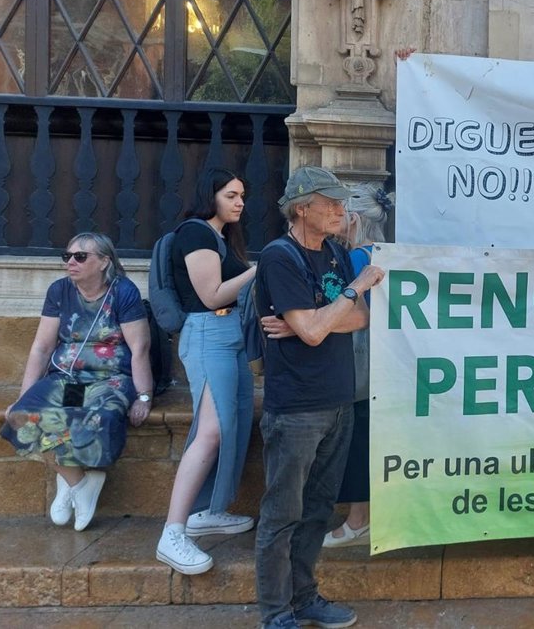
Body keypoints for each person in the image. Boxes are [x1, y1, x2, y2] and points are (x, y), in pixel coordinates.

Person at [253, 166, 385, 629]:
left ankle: (305, 597)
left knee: (317, 511)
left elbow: (360, 319)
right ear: (301, 208)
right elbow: (318, 328)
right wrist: (352, 290)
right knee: (282, 514)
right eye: (329, 203)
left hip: (338, 401)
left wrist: (311, 321)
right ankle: (276, 612)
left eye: (340, 203)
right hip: (296, 409)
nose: (339, 211)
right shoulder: (280, 257)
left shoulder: (334, 252)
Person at [0, 233, 152, 531]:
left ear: (104, 261)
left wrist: (144, 396)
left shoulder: (123, 291)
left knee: (99, 417)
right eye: (67, 256)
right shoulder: (60, 290)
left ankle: (69, 481)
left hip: (110, 380)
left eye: (80, 256)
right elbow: (42, 348)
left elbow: (140, 348)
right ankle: (79, 482)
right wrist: (24, 395)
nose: (71, 262)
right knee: (21, 416)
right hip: (69, 379)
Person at [155, 168, 258, 575]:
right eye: (231, 195)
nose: (240, 203)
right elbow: (212, 295)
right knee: (211, 430)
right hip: (207, 333)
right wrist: (258, 269)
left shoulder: (220, 237)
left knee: (235, 423)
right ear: (209, 195)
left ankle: (209, 511)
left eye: (242, 196)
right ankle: (173, 532)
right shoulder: (195, 233)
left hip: (229, 334)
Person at [322, 183, 393, 548]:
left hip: (357, 361)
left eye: (338, 210)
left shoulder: (353, 259)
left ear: (352, 218)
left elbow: (346, 311)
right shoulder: (384, 253)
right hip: (382, 361)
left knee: (356, 438)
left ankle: (357, 519)